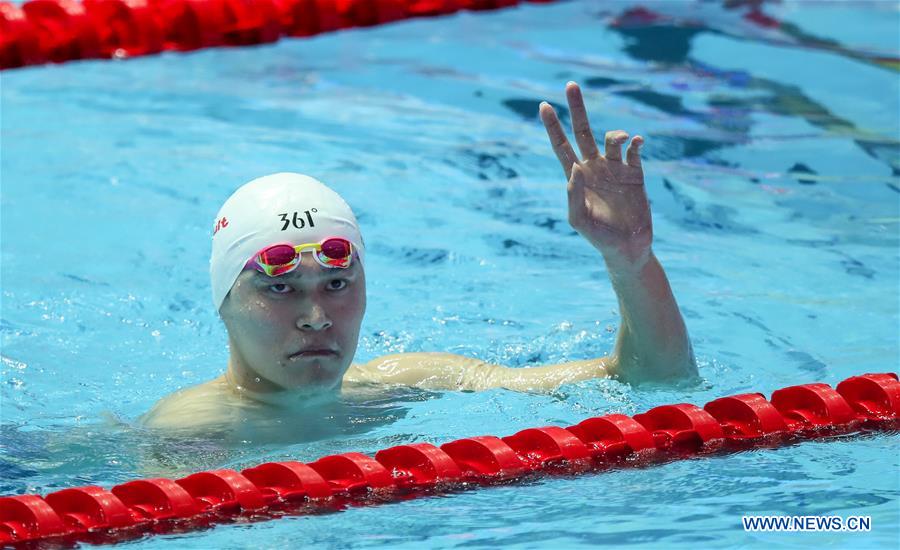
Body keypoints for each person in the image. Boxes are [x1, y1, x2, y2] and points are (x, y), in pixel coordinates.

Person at [140, 82, 696, 431]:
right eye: (280, 288)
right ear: (223, 302)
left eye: (337, 283)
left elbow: (653, 384)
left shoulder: (411, 384)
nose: (316, 317)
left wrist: (631, 261)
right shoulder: (191, 436)